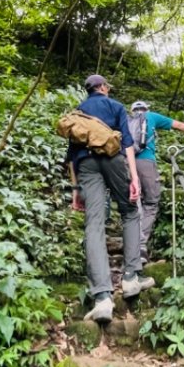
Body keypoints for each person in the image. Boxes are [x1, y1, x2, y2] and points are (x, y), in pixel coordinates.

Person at [68, 74, 155, 323]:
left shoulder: (78, 113)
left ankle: (102, 298)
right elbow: (127, 144)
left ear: (87, 90)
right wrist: (134, 178)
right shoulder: (115, 106)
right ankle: (130, 278)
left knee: (93, 224)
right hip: (113, 159)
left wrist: (76, 190)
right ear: (103, 88)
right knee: (129, 211)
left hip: (85, 164)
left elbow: (71, 154)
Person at [130, 100, 184, 263]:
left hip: (126, 163)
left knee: (133, 201)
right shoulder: (151, 116)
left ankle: (131, 244)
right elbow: (177, 124)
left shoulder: (126, 120)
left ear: (132, 111)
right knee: (151, 202)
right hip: (146, 162)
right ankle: (140, 246)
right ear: (146, 109)